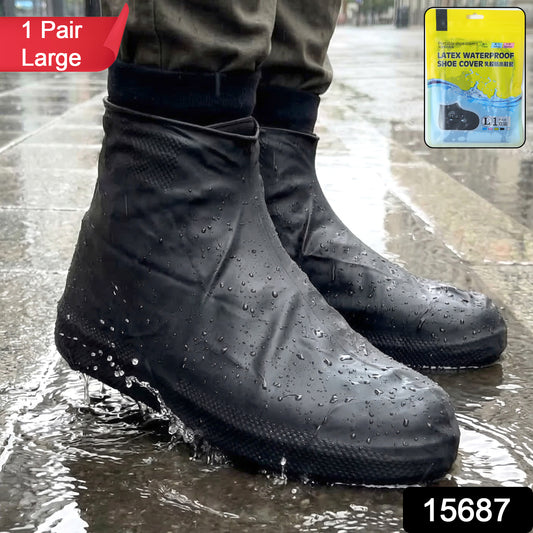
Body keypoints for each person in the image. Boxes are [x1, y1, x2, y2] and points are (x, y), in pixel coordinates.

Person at [55, 1, 506, 485]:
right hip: (165, 193)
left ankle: (272, 223)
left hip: (243, 190)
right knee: (201, 33)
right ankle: (150, 249)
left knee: (290, 47)